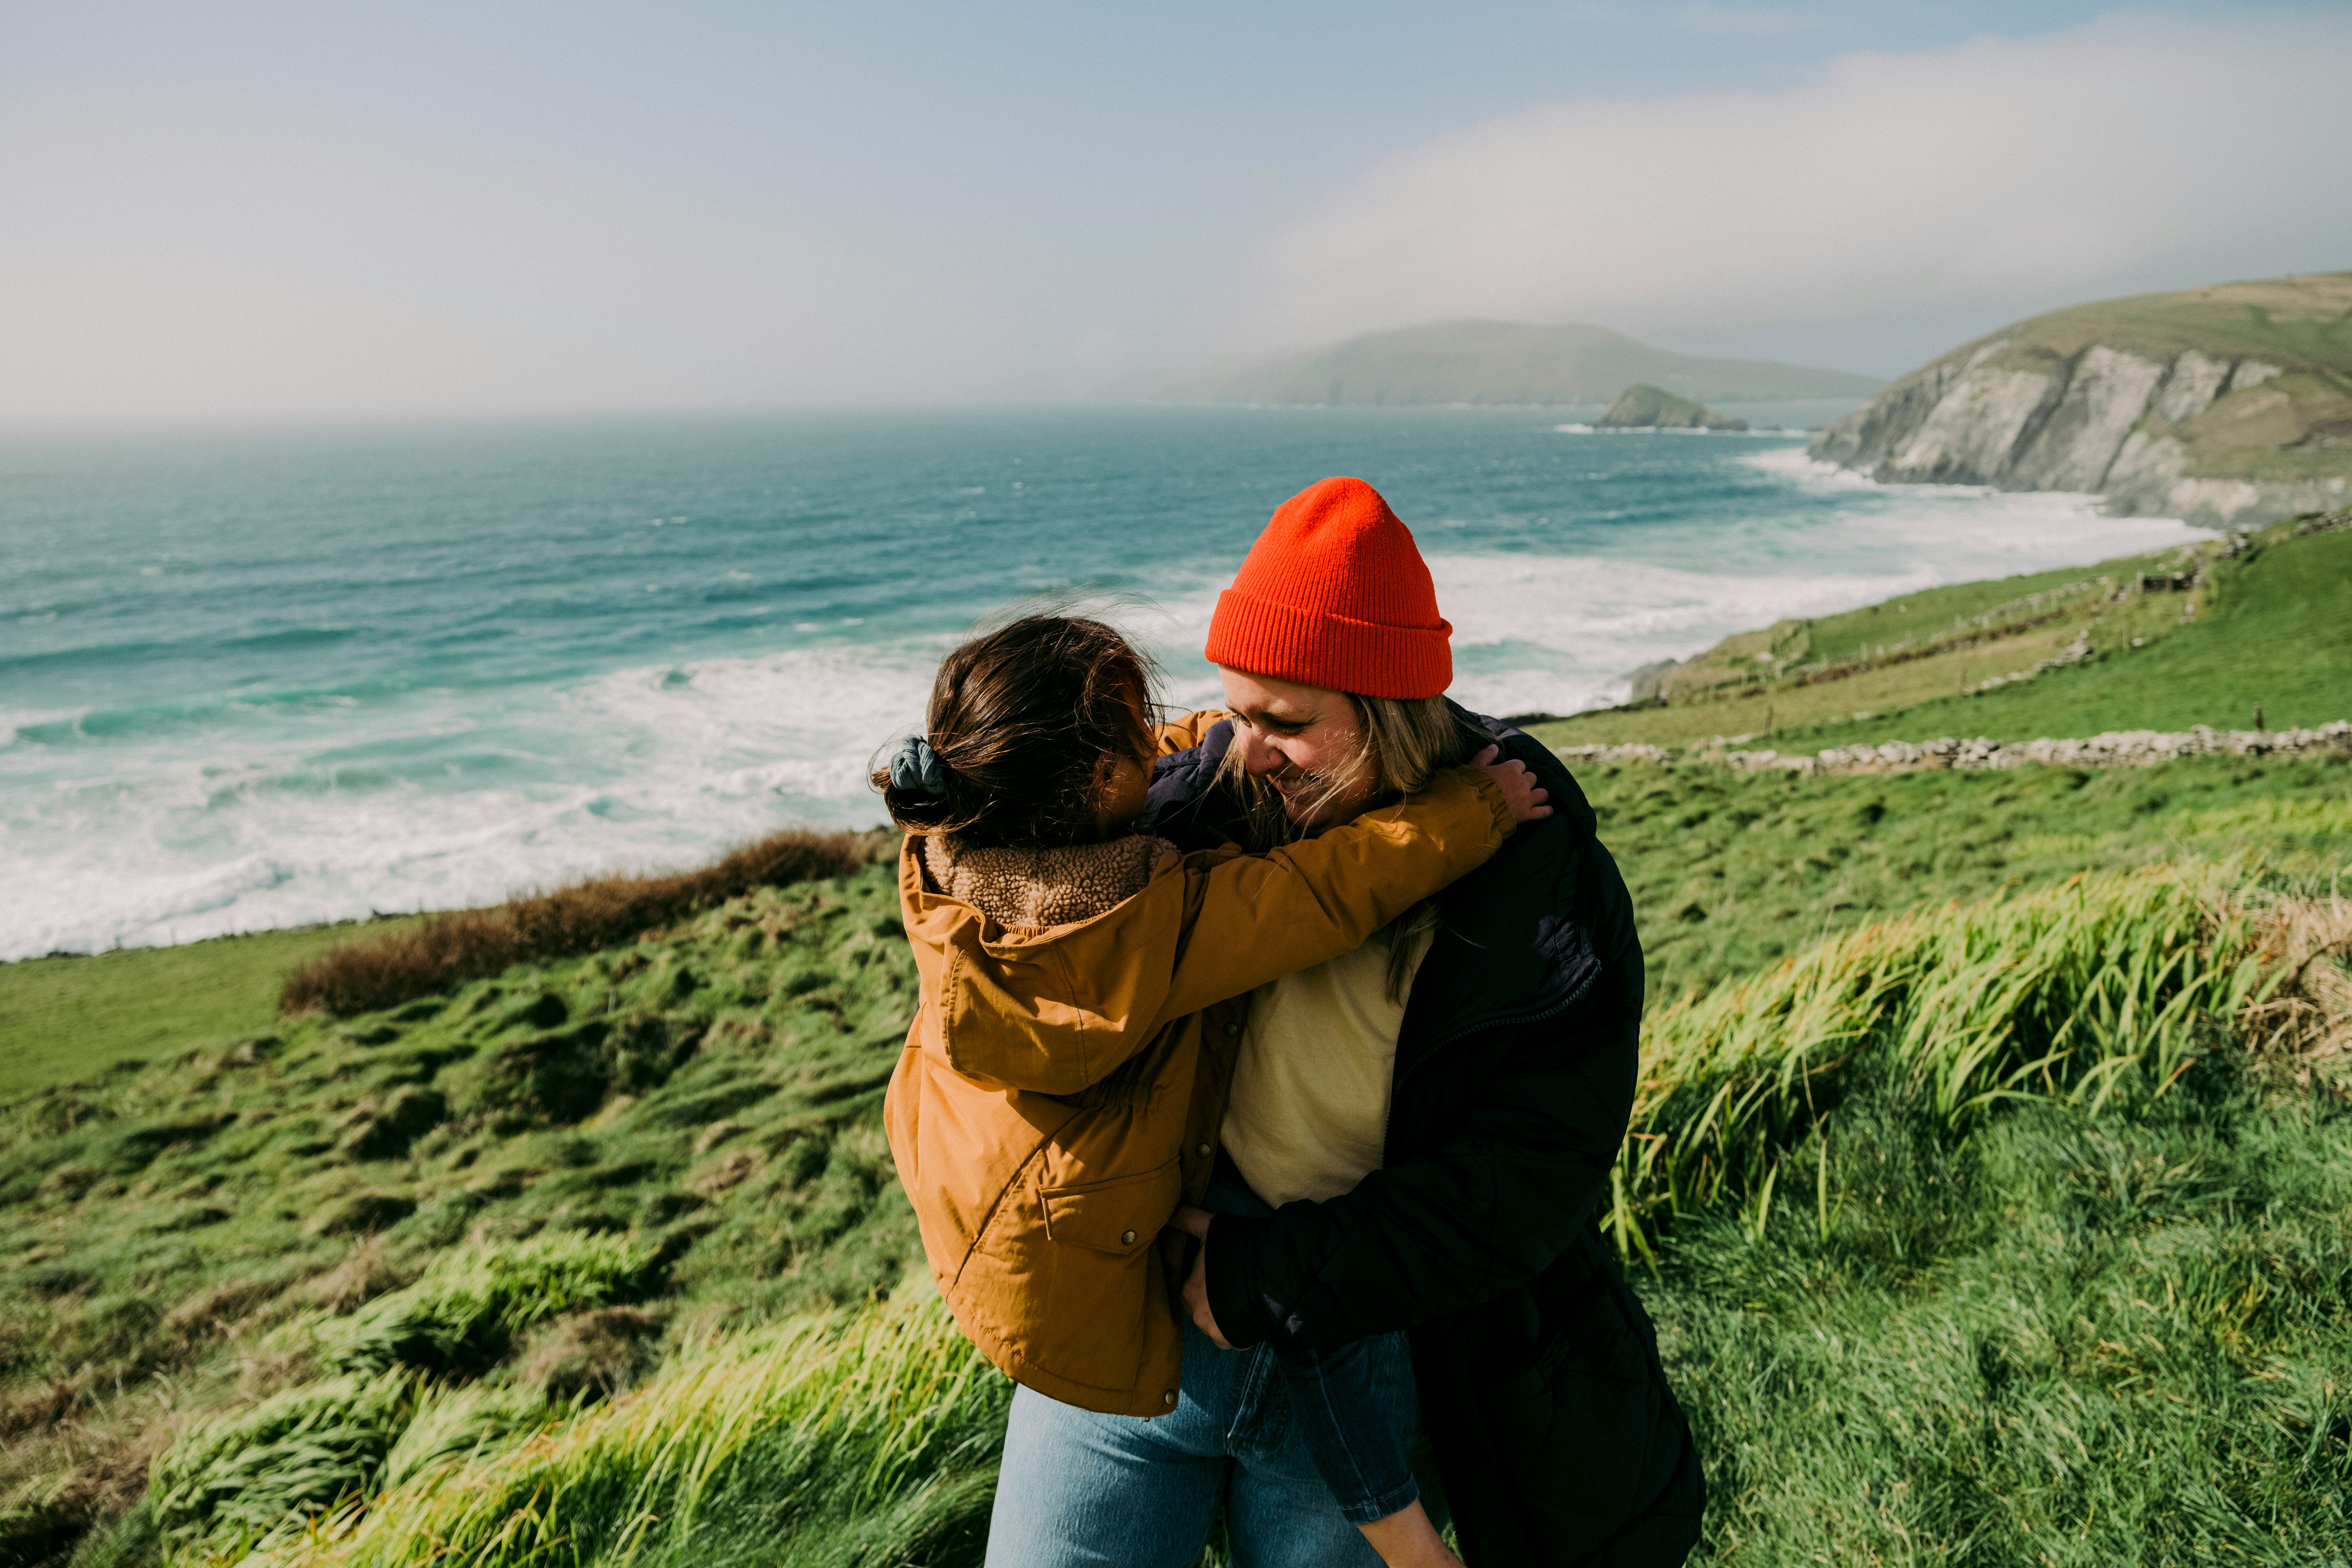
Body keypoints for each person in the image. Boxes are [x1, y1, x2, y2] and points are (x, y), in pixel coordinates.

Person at [988, 478, 1706, 1566]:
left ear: (1391, 709)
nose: (1252, 750)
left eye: (1290, 721)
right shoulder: (1192, 808)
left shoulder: (1541, 881)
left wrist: (1265, 1279)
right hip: (1131, 1346)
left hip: (1360, 1348)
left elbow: (1535, 1175)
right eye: (1239, 709)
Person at [873, 612, 1553, 1566]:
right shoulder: (1133, 930)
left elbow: (1172, 752)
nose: (1165, 736)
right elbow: (1323, 891)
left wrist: (1234, 724)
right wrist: (1473, 810)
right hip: (1141, 1289)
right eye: (1136, 727)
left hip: (1058, 1295)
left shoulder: (959, 849)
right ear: (1102, 782)